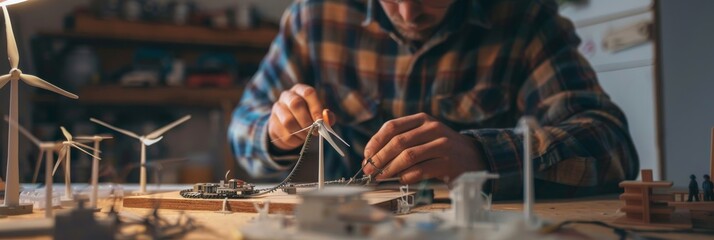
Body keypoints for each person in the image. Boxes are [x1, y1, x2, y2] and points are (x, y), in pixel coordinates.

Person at [229, 0, 639, 199]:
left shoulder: (523, 20)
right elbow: (242, 131)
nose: (408, 13)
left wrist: (483, 155)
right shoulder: (315, 17)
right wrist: (273, 133)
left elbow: (612, 145)